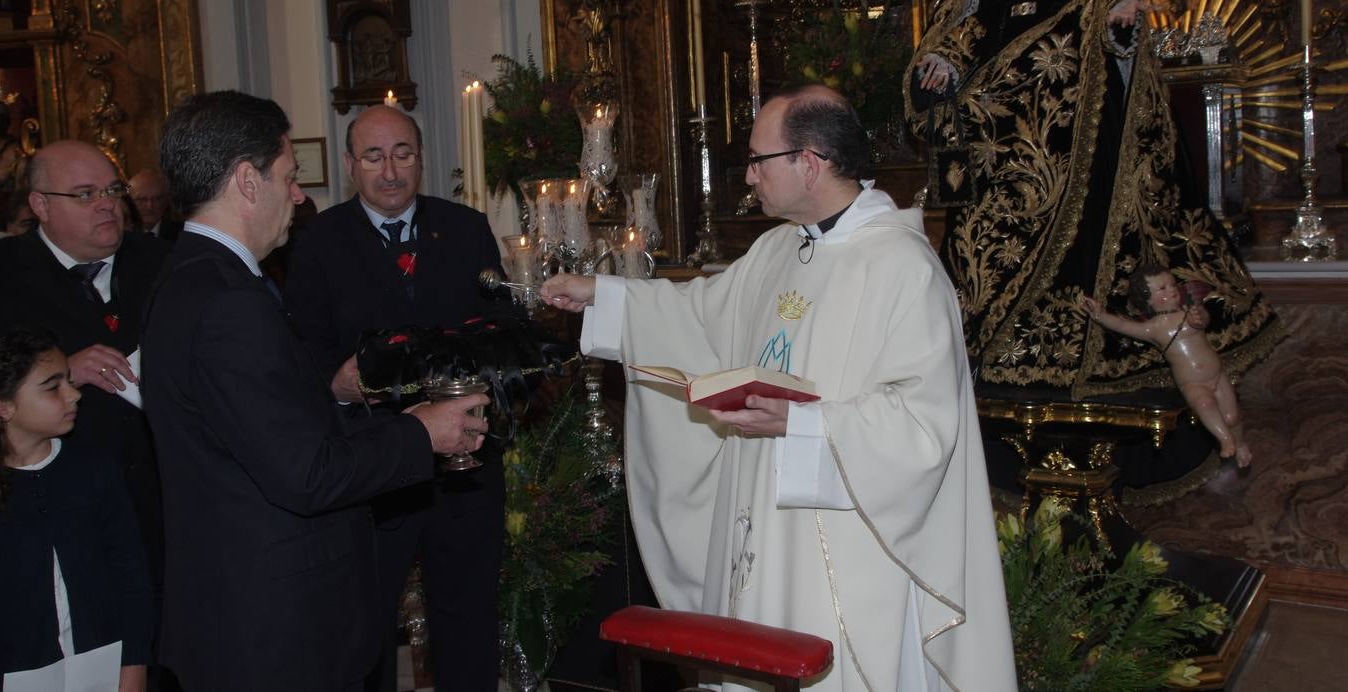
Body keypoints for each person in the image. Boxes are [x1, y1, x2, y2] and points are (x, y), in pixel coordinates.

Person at [541, 86, 1016, 691]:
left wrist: (804, 425)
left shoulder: (902, 268)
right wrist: (602, 296)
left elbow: (924, 426)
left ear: (810, 162)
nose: (748, 177)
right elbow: (694, 316)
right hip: (759, 535)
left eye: (759, 161)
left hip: (849, 550)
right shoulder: (776, 250)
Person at [902, 0, 1281, 402]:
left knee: (1078, 231)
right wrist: (942, 61)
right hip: (1002, 130)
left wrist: (1114, 17)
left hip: (1070, 125)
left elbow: (1113, 14)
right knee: (986, 245)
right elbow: (965, 25)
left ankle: (1063, 361)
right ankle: (986, 362)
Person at [142, 91, 489, 692]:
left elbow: (257, 432)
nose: (299, 196)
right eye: (289, 176)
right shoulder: (228, 302)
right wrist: (422, 431)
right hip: (272, 625)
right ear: (248, 181)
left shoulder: (185, 277)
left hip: (240, 610)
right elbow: (306, 473)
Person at [284, 104, 507, 692]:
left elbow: (500, 332)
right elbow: (300, 349)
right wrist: (333, 382)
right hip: (369, 463)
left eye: (402, 154)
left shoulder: (465, 229)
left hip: (464, 463)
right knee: (365, 623)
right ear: (351, 165)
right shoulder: (315, 243)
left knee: (468, 617)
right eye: (374, 157)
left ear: (422, 159)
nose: (390, 171)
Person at [0, 141, 169, 597]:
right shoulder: (7, 275)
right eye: (85, 194)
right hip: (56, 504)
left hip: (165, 497)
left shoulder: (161, 261)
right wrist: (60, 375)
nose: (107, 205)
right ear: (40, 206)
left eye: (113, 190)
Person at [0, 326, 153, 692]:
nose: (73, 396)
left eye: (69, 381)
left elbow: (131, 576)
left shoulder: (94, 470)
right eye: (53, 387)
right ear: (4, 407)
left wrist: (134, 665)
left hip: (100, 663)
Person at [1083, 264, 1251, 466]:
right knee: (1204, 404)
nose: (1172, 290)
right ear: (1147, 299)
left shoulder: (1188, 312)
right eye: (1162, 288)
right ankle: (1225, 439)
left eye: (1172, 285)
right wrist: (1101, 315)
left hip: (1217, 373)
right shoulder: (1152, 328)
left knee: (1232, 416)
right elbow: (1122, 325)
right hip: (1192, 383)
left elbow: (1203, 320)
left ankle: (1240, 444)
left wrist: (1199, 316)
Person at [127, 168, 181, 240]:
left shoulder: (182, 236)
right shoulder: (120, 235)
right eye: (142, 199)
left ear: (166, 201)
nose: (150, 206)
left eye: (157, 199)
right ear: (129, 202)